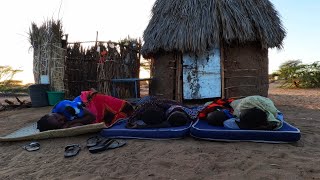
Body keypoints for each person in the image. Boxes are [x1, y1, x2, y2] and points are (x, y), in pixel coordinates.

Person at [37, 89, 134, 132]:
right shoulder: (59, 122)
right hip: (85, 111)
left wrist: (71, 122)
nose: (61, 118)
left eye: (56, 117)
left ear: (51, 113)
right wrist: (68, 125)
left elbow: (91, 116)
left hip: (93, 102)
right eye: (60, 122)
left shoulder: (65, 107)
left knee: (127, 109)